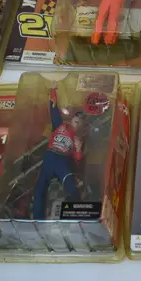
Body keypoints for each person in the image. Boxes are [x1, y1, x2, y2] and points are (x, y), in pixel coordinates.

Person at [32, 88, 85, 219]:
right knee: (39, 190)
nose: (77, 121)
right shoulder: (60, 126)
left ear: (81, 126)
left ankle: (79, 218)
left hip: (63, 162)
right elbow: (53, 110)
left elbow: (77, 160)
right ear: (72, 118)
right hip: (50, 157)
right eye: (76, 118)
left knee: (72, 189)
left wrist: (78, 149)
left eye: (80, 121)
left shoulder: (78, 138)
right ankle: (37, 221)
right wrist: (53, 90)